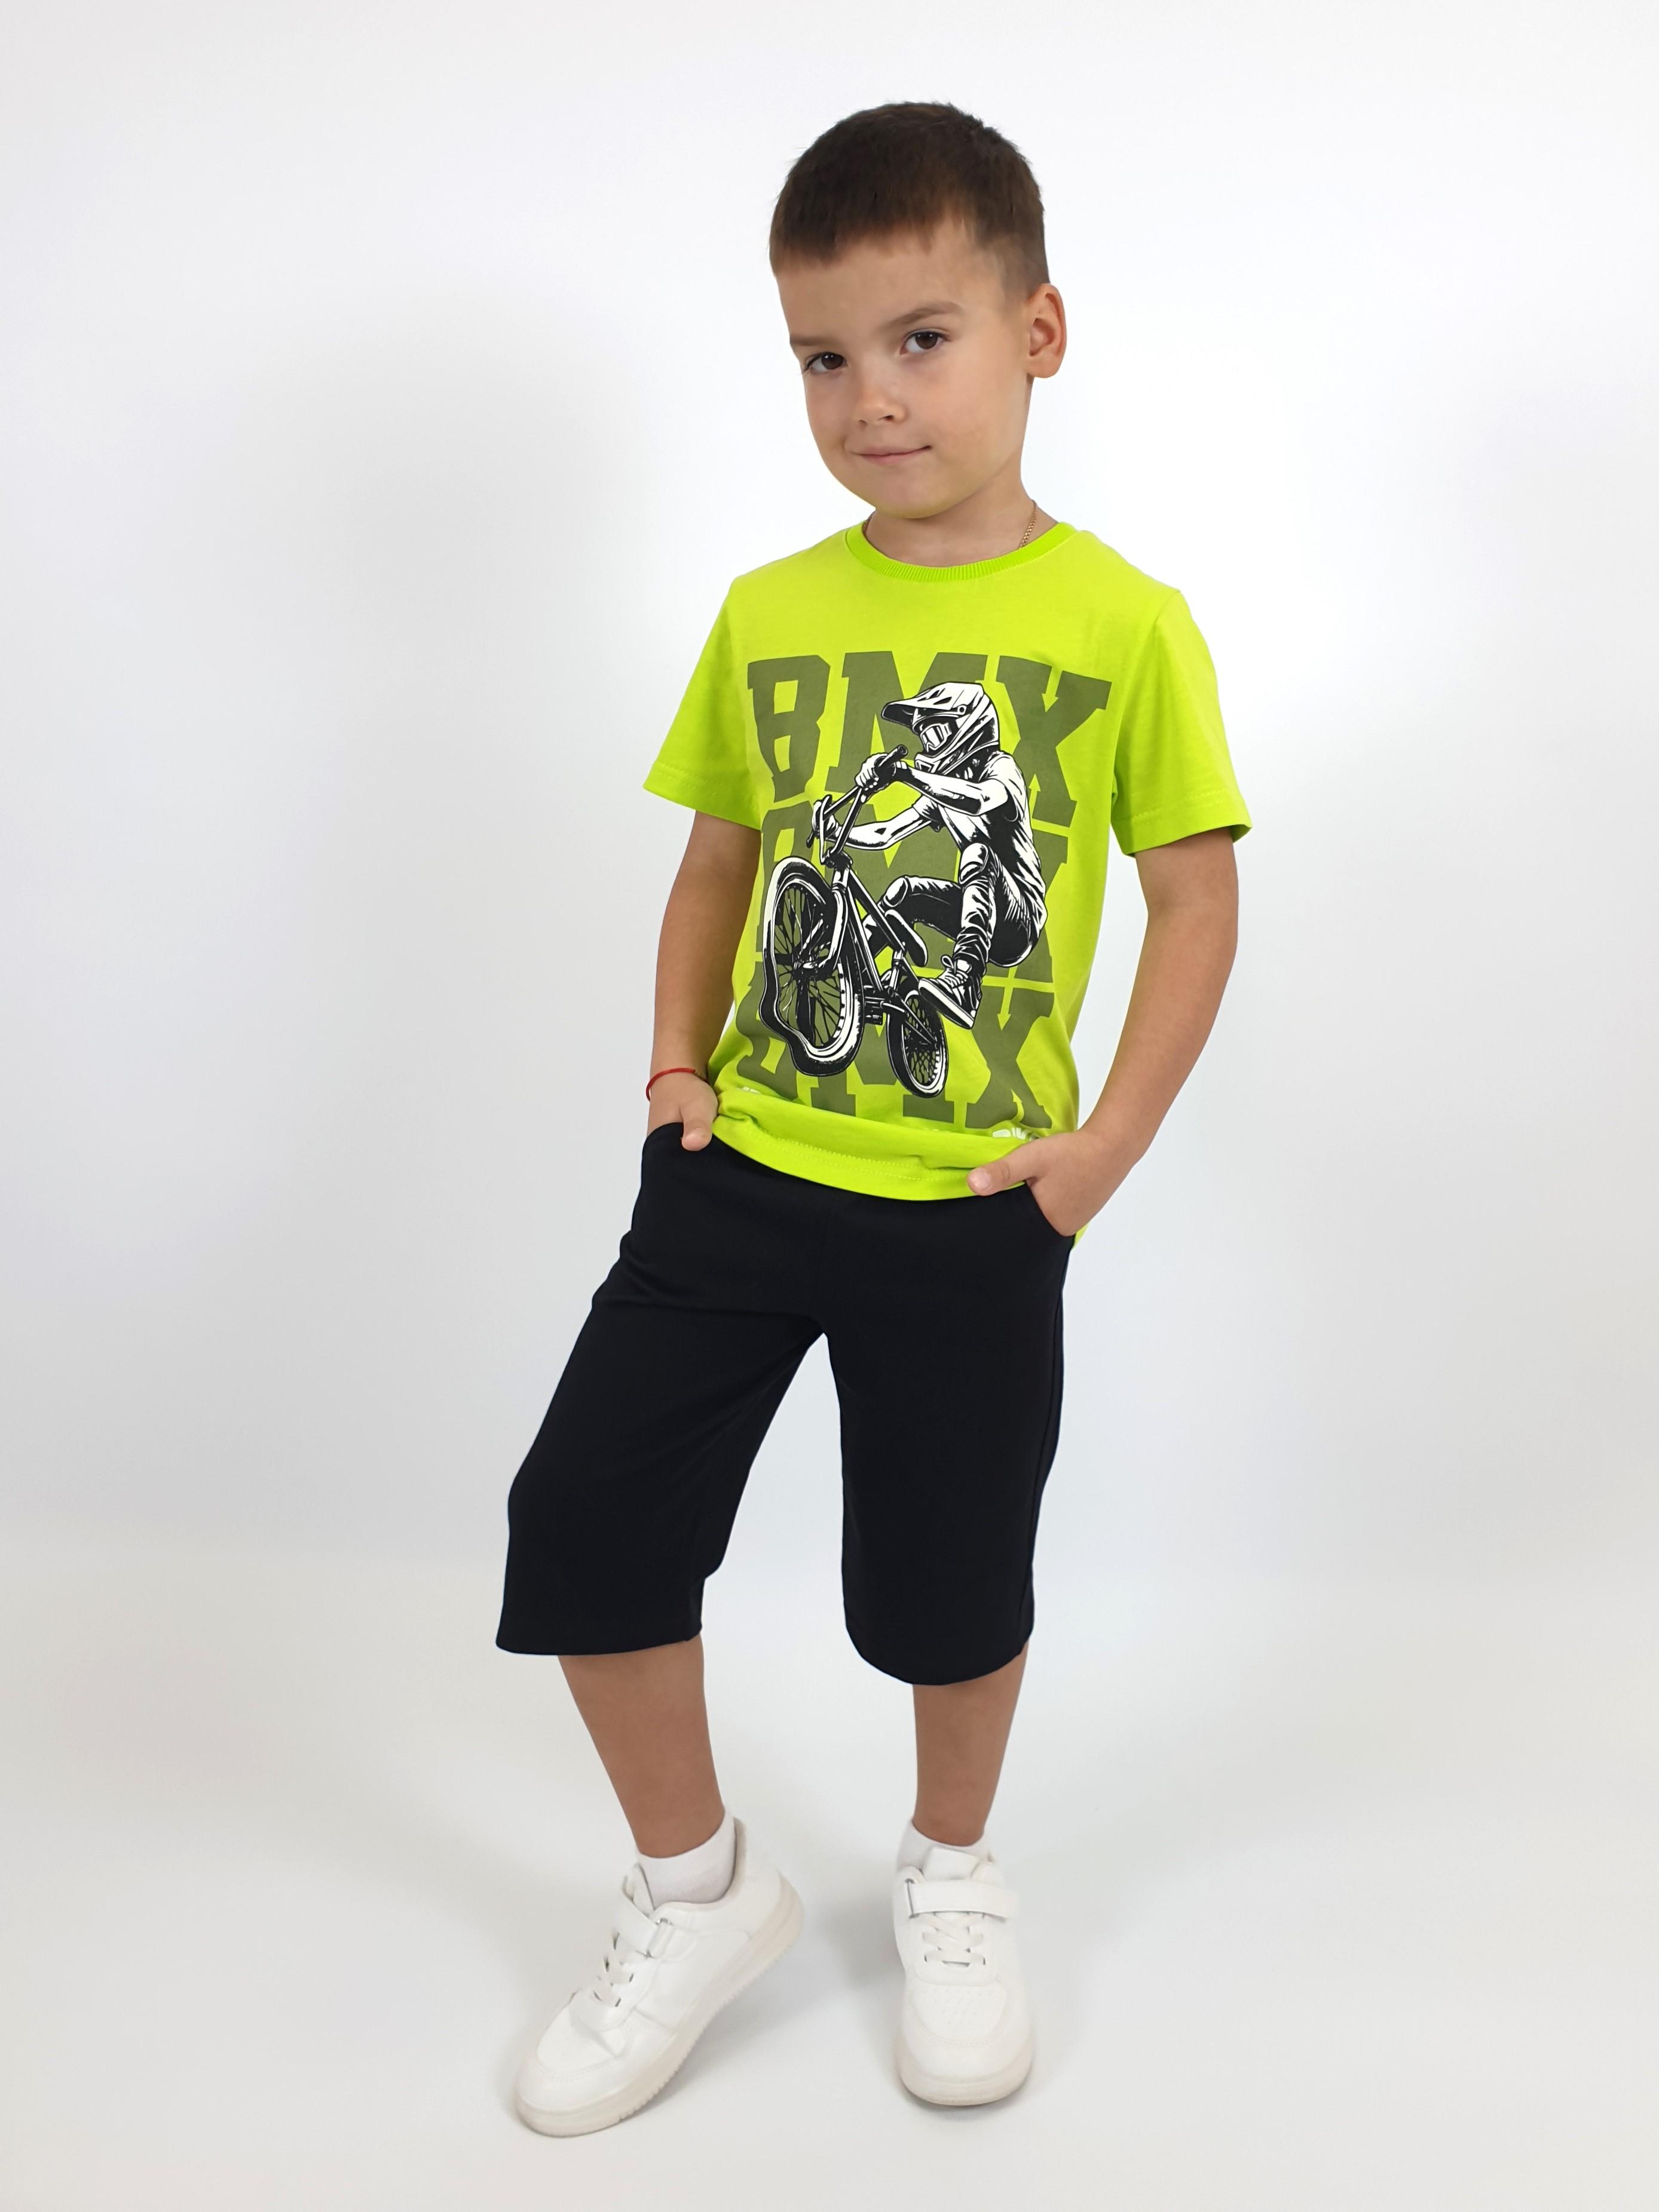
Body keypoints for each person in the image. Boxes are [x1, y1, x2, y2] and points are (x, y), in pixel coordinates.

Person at [495, 100, 1251, 2136]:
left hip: (976, 1202)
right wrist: (675, 1069)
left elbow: (1194, 900)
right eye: (823, 357)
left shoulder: (1122, 621)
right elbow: (716, 867)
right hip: (738, 1174)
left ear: (1040, 333)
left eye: (922, 339)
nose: (871, 398)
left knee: (947, 1580)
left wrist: (1101, 1157)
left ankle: (952, 1870)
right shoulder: (772, 610)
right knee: (583, 1521)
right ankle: (696, 1893)